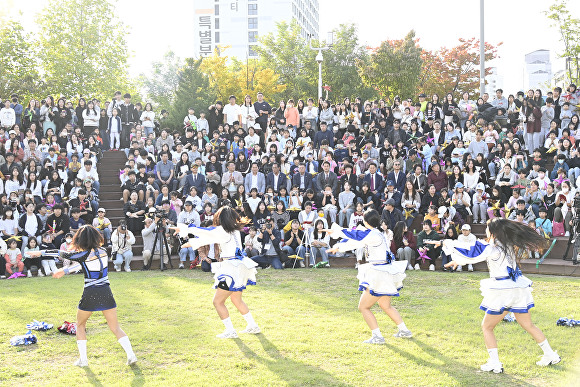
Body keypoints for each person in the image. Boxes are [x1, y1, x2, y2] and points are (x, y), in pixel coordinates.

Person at [437, 218, 560, 373]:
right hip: (517, 288)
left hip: (503, 290)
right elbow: (474, 252)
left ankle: (494, 363)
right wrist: (458, 261)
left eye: (488, 228)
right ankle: (550, 354)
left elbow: (472, 251)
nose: (486, 231)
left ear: (493, 232)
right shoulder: (509, 245)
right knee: (528, 325)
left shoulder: (492, 248)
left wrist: (446, 244)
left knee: (487, 327)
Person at [26, 225, 137, 367]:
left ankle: (83, 360)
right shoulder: (103, 251)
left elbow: (61, 253)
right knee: (115, 327)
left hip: (90, 292)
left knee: (80, 325)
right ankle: (131, 355)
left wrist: (40, 252)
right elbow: (85, 265)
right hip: (106, 291)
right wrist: (65, 271)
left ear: (80, 239)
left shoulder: (82, 255)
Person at [172, 206, 260, 338]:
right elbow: (211, 237)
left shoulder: (222, 230)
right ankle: (252, 325)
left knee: (217, 302)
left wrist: (185, 229)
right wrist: (192, 243)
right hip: (240, 267)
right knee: (236, 299)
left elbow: (206, 231)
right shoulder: (234, 231)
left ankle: (230, 331)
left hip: (231, 268)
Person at [326, 209, 412, 344]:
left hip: (379, 274)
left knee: (363, 307)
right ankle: (404, 330)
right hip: (384, 272)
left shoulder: (373, 235)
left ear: (366, 222)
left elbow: (357, 235)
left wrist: (338, 231)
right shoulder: (377, 234)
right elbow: (357, 241)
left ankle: (377, 336)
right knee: (385, 305)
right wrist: (339, 246)